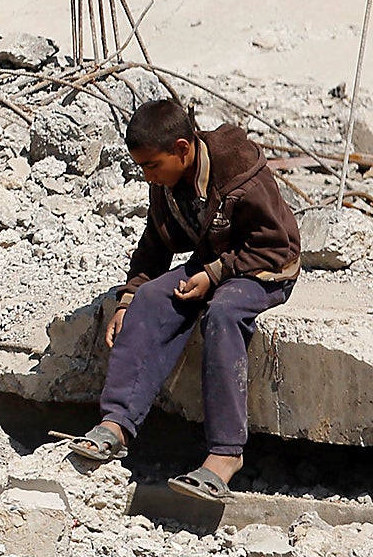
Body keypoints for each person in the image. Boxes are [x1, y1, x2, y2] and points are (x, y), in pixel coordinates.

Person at [68, 98, 301, 502]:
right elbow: (155, 246)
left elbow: (276, 246)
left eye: (152, 166)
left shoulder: (239, 173)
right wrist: (126, 300)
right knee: (151, 297)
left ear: (182, 148)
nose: (147, 176)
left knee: (224, 312)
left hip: (266, 269)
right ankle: (118, 423)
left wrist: (213, 276)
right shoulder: (168, 182)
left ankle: (225, 456)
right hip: (213, 263)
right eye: (141, 167)